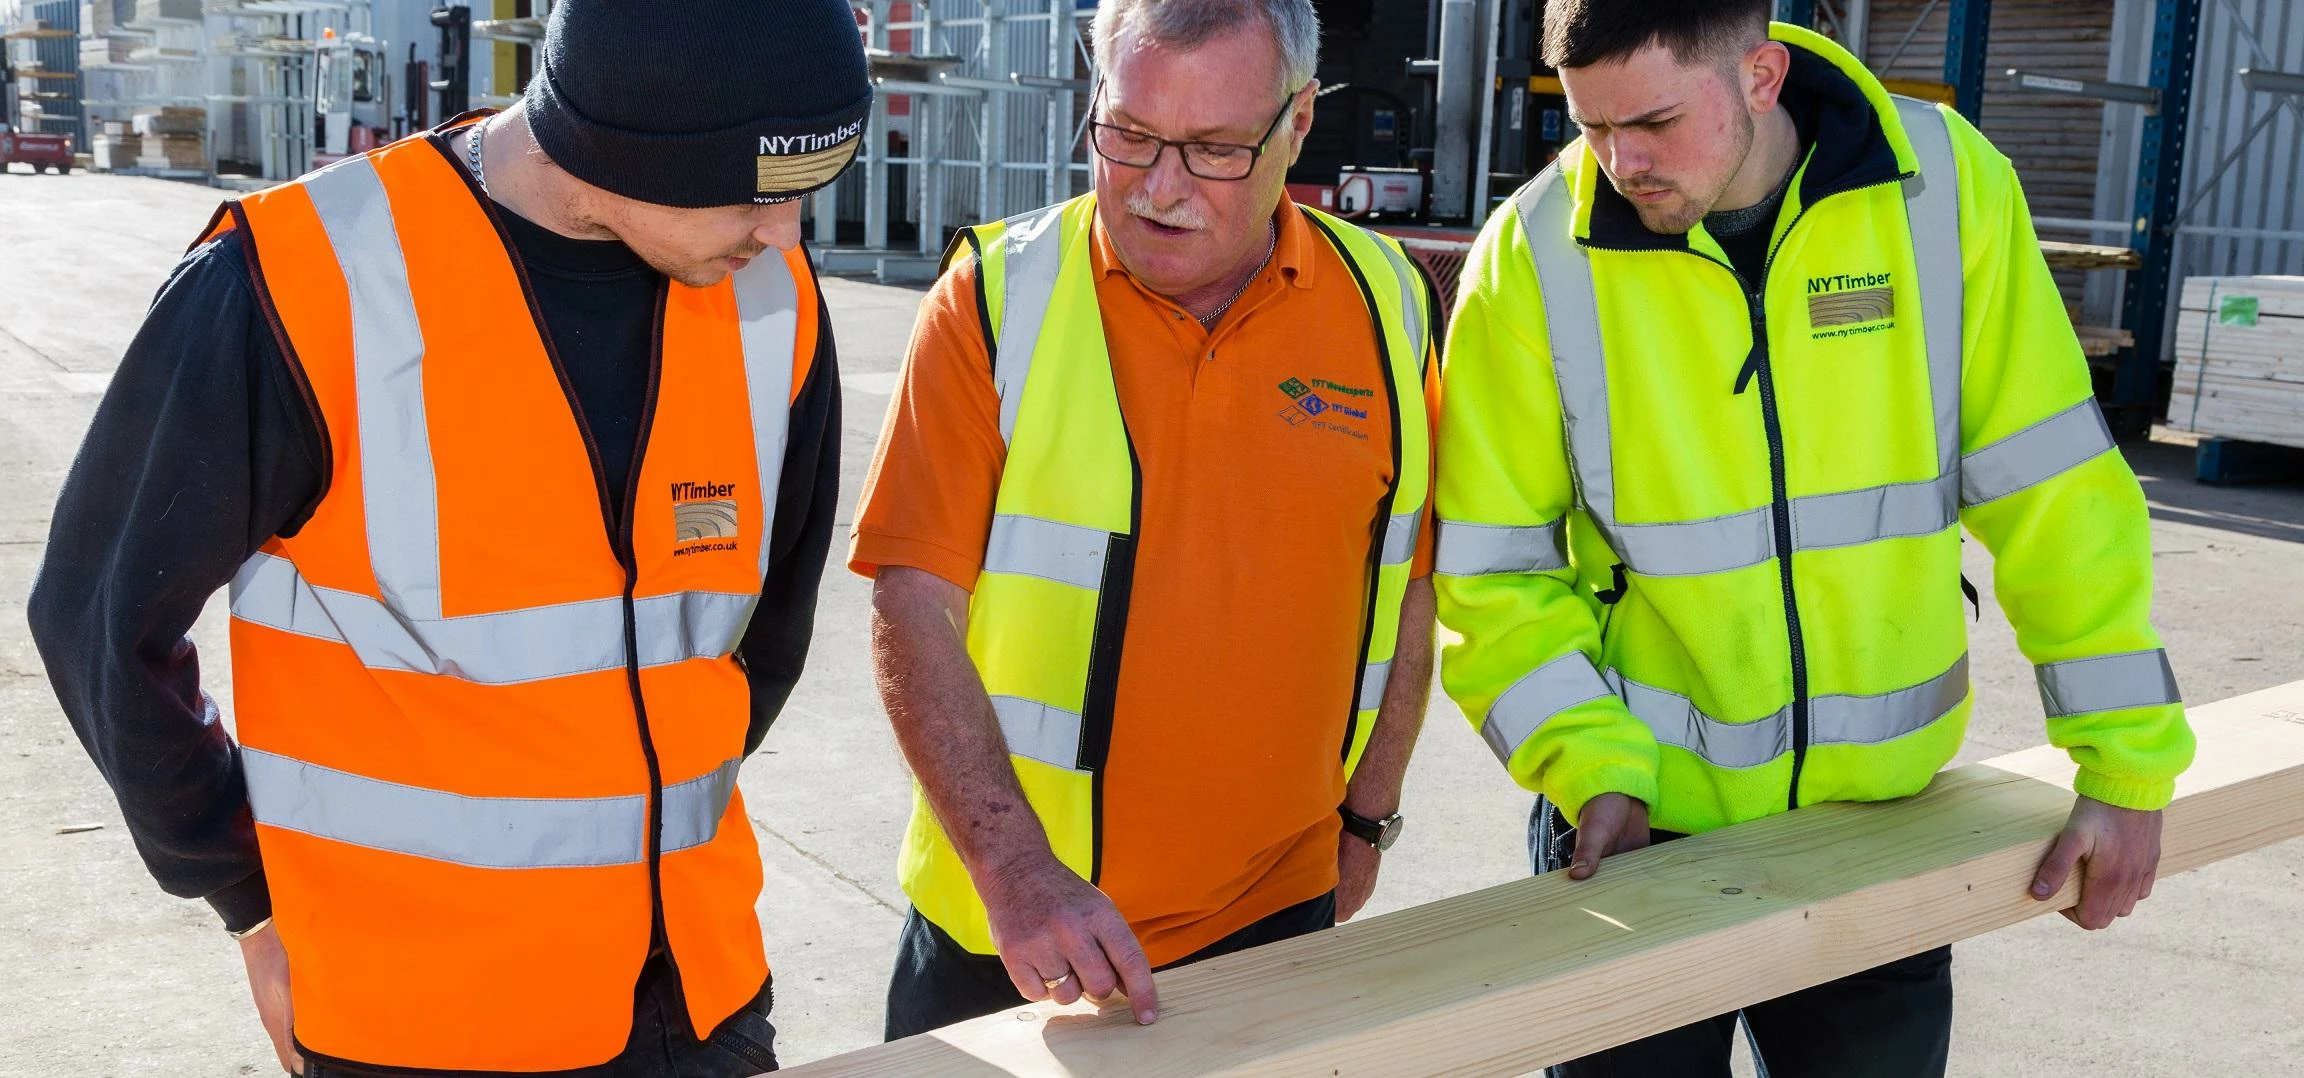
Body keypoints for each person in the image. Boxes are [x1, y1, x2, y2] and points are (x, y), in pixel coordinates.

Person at [26, 2, 865, 1073]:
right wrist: (243, 895)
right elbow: (99, 620)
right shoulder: (298, 281)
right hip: (420, 1028)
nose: (786, 233)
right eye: (755, 190)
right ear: (626, 139)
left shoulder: (775, 301)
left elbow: (765, 635)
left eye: (806, 192)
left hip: (704, 1001)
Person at [1434, 2, 2195, 1075]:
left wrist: (2126, 765)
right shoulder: (1532, 256)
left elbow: (2054, 490)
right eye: (1592, 127)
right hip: (1634, 828)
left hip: (1878, 830)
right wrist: (1589, 765)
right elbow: (1490, 569)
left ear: (1761, 72)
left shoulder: (1943, 188)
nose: (1619, 162)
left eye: (1650, 121)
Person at [851, 0, 1443, 1040]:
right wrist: (1018, 871)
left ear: (1300, 122)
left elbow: (1403, 581)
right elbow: (912, 602)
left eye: (1214, 150)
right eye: (1126, 135)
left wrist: (1368, 812)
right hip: (1016, 937)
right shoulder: (991, 304)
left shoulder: (1386, 301)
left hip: (1276, 915)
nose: (1160, 190)